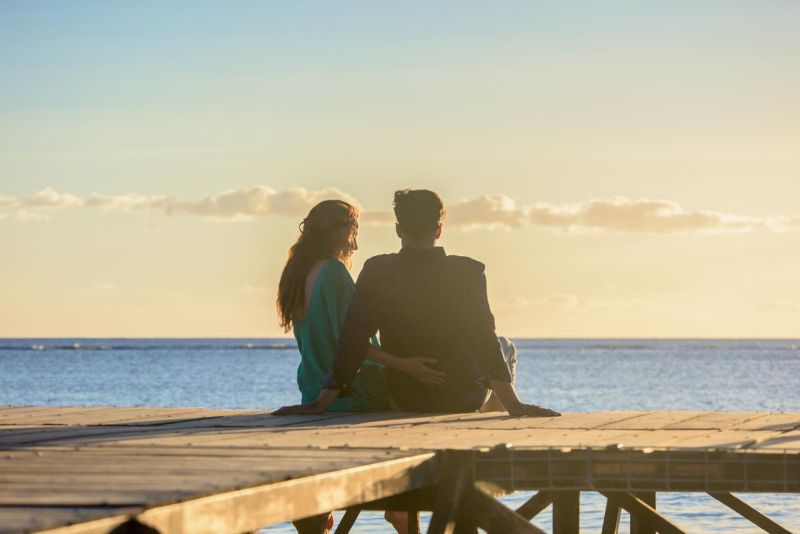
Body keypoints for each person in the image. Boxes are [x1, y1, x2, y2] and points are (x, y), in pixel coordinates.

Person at [275, 190, 559, 418]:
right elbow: (482, 338)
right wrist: (516, 405)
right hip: (460, 397)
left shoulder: (376, 270)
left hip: (404, 396)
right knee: (503, 344)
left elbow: (352, 339)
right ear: (438, 231)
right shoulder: (469, 272)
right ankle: (505, 414)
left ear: (399, 230)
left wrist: (321, 403)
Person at [276, 199, 442, 534]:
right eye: (354, 228)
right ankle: (400, 505)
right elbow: (352, 345)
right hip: (351, 390)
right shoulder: (334, 272)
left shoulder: (295, 274)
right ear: (341, 230)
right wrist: (404, 365)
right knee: (416, 404)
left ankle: (384, 508)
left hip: (313, 386)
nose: (355, 237)